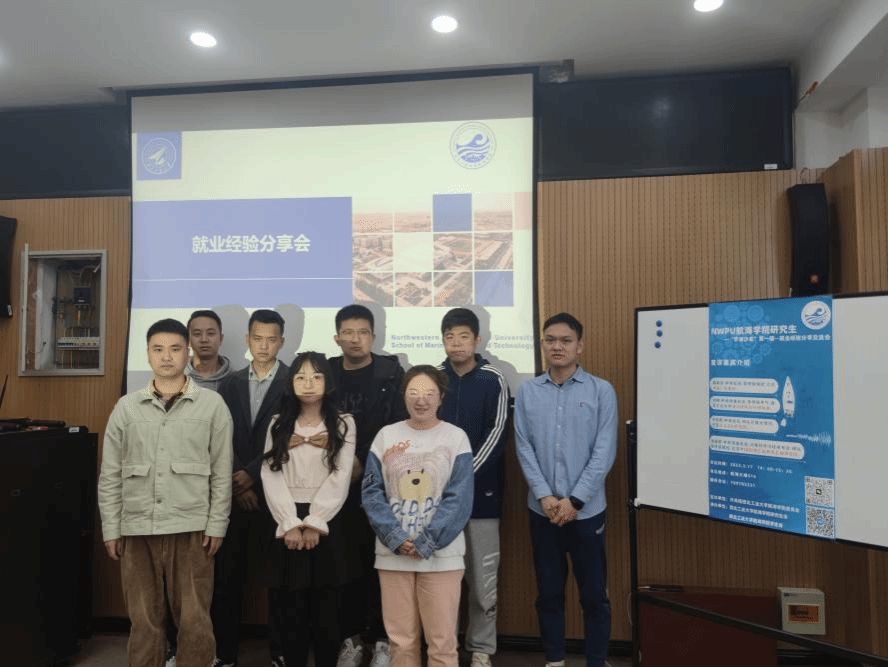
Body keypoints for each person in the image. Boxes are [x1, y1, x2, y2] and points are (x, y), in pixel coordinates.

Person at [98, 318, 233, 667]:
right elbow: (110, 474)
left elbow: (222, 472)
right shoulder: (126, 407)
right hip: (137, 527)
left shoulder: (212, 405)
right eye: (158, 349)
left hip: (192, 527)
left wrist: (217, 524)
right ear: (147, 354)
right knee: (143, 622)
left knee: (195, 620)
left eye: (174, 349)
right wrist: (111, 528)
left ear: (187, 352)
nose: (167, 357)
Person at [514, 313, 618, 667]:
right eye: (550, 340)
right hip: (542, 510)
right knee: (548, 593)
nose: (557, 346)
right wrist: (545, 496)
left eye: (565, 340)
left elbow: (604, 451)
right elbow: (524, 448)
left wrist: (575, 500)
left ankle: (596, 661)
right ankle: (555, 660)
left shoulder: (601, 391)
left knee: (594, 596)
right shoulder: (528, 391)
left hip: (586, 512)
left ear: (579, 346)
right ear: (542, 344)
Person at [361, 365, 474, 667]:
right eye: (413, 392)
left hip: (442, 557)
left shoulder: (456, 438)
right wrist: (395, 538)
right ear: (403, 397)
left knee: (442, 643)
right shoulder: (386, 436)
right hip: (392, 555)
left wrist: (427, 541)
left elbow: (460, 498)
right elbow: (372, 493)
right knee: (401, 642)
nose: (420, 400)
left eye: (429, 393)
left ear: (441, 398)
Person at [261, 352, 357, 667]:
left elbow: (341, 475)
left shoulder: (343, 422)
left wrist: (316, 521)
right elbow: (270, 474)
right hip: (287, 519)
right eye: (301, 377)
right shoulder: (278, 423)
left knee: (327, 612)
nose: (309, 384)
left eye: (316, 377)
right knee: (291, 611)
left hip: (328, 521)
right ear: (291, 383)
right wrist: (289, 522)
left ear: (328, 382)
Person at [330, 304, 407, 667]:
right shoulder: (326, 373)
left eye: (362, 332)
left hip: (381, 486)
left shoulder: (392, 374)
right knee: (343, 566)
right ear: (337, 337)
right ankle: (350, 639)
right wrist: (344, 462)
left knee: (382, 566)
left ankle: (382, 640)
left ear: (374, 337)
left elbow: (399, 426)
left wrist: (363, 459)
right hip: (333, 486)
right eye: (348, 332)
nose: (355, 339)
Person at [212, 309, 290, 667]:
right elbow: (219, 435)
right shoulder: (230, 383)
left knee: (279, 581)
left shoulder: (292, 382)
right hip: (234, 494)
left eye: (271, 339)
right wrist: (238, 481)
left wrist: (253, 474)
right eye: (257, 338)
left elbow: (289, 437)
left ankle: (279, 653)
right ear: (247, 339)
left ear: (282, 342)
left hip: (275, 496)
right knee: (227, 578)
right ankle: (225, 654)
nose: (264, 346)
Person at [436, 308, 509, 667]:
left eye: (463, 336)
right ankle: (443, 648)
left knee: (482, 583)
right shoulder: (434, 378)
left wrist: (462, 477)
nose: (456, 343)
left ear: (477, 340)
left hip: (482, 499)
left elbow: (497, 435)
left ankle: (481, 648)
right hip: (438, 501)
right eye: (449, 336)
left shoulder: (493, 379)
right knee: (441, 581)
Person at [186, 309, 234, 390]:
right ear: (188, 340)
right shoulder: (174, 377)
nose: (204, 339)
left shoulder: (236, 382)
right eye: (197, 334)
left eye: (210, 333)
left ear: (221, 339)